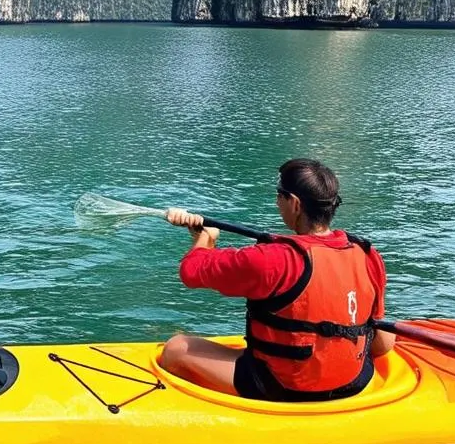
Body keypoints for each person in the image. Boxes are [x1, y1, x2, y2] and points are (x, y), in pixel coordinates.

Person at [158, 159, 396, 402]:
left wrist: (204, 238)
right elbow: (380, 341)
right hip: (354, 381)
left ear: (294, 203)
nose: (276, 201)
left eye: (279, 195)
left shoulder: (273, 259)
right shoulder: (367, 254)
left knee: (176, 348)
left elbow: (191, 270)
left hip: (281, 386)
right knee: (383, 337)